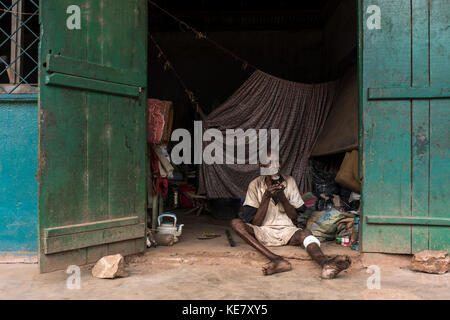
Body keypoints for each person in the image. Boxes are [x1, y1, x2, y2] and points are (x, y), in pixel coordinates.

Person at [230, 154, 351, 278]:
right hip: (263, 230)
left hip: (287, 230)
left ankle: (325, 263)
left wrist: (283, 197)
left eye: (276, 162)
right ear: (262, 166)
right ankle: (276, 259)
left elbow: (294, 217)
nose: (274, 166)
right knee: (236, 223)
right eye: (269, 163)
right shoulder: (255, 185)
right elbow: (256, 223)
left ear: (281, 164)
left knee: (306, 233)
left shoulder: (289, 181)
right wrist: (266, 197)